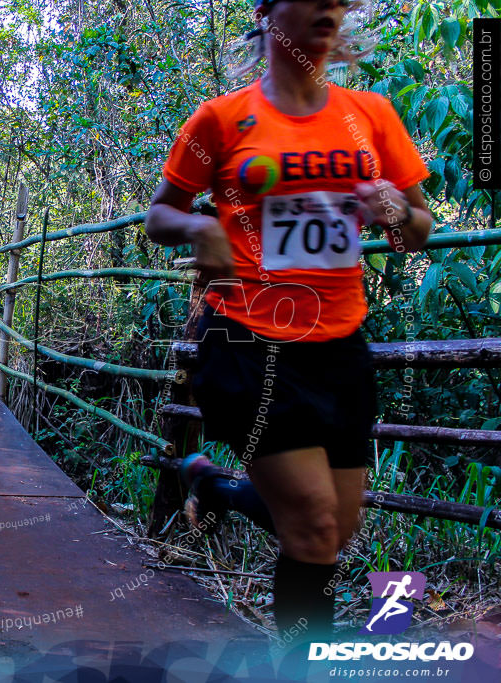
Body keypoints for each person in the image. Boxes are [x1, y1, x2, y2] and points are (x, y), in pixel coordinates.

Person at [145, 0, 432, 642]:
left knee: (332, 530)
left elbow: (417, 228)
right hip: (247, 340)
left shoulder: (371, 116)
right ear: (268, 11)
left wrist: (391, 208)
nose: (331, 8)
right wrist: (198, 225)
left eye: (340, 2)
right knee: (312, 527)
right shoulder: (221, 119)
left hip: (339, 348)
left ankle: (214, 485)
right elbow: (160, 215)